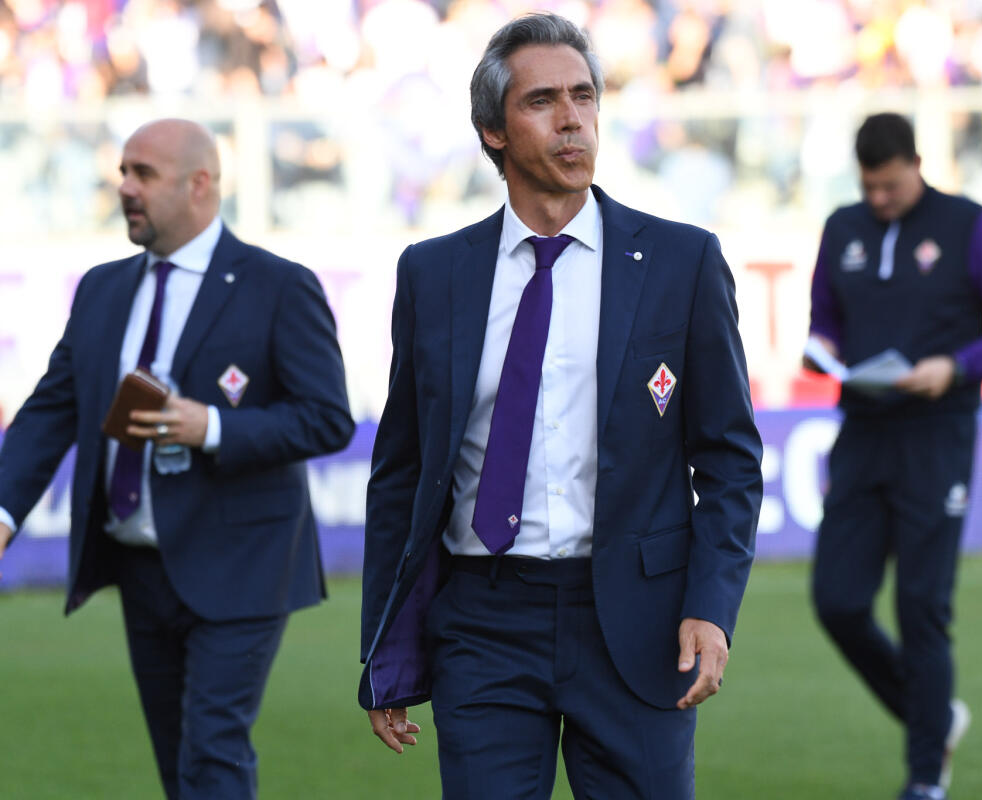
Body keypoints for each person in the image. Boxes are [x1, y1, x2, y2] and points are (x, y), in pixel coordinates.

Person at [358, 13, 762, 799]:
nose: (571, 118)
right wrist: (385, 648)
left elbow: (729, 460)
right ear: (493, 131)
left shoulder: (682, 262)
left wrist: (711, 607)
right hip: (483, 621)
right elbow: (400, 473)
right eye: (542, 101)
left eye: (583, 96)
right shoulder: (433, 274)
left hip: (639, 620)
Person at [0, 118, 354, 799]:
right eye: (123, 172)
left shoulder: (279, 286)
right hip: (140, 567)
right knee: (179, 764)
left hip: (242, 561)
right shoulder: (102, 288)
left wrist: (211, 427)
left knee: (211, 753)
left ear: (200, 185)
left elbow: (327, 417)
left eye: (144, 173)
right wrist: (5, 509)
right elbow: (51, 411)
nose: (125, 188)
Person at [803, 112, 982, 800]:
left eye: (890, 185)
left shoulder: (969, 224)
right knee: (837, 601)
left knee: (921, 606)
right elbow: (824, 319)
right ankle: (934, 719)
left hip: (938, 432)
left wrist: (955, 367)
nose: (879, 199)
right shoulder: (841, 227)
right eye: (868, 186)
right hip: (863, 430)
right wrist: (823, 350)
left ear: (916, 164)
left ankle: (926, 778)